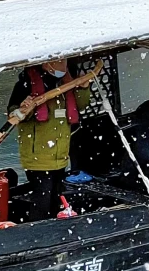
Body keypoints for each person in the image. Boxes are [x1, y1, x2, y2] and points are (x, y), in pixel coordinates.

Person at [7, 58, 90, 218]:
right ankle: (37, 233)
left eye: (64, 61)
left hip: (60, 154)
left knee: (56, 197)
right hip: (37, 156)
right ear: (46, 63)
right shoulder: (26, 84)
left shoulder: (66, 81)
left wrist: (84, 89)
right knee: (42, 200)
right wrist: (25, 106)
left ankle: (54, 228)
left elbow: (80, 105)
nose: (63, 65)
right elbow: (14, 114)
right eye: (58, 61)